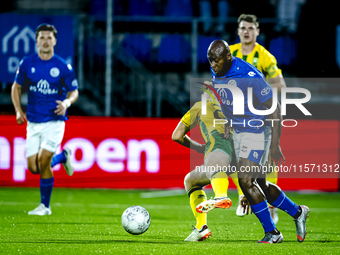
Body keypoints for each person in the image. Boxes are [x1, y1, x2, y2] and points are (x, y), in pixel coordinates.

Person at [205, 39, 309, 243]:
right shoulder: (217, 70)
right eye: (210, 61)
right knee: (258, 184)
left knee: (246, 181)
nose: (212, 65)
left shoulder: (249, 76)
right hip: (240, 130)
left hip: (258, 129)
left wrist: (274, 143)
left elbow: (275, 108)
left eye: (216, 61)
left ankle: (273, 233)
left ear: (228, 57)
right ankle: (298, 212)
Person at [11, 24, 79, 216]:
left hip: (54, 122)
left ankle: (44, 206)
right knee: (34, 168)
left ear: (55, 41)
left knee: (43, 161)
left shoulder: (62, 66)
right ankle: (63, 157)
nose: (46, 41)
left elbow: (74, 91)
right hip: (33, 122)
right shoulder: (27, 63)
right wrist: (17, 110)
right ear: (36, 41)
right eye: (42, 37)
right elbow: (15, 87)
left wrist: (66, 103)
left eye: (49, 38)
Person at [229, 14, 286, 222]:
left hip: (261, 118)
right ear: (238, 31)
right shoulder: (231, 53)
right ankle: (243, 196)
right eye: (243, 28)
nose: (246, 31)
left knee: (267, 163)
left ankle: (271, 205)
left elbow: (280, 84)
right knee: (237, 159)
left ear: (257, 32)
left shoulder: (265, 57)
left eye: (250, 28)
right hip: (236, 117)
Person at [172, 85, 235, 241]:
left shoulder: (200, 106)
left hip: (219, 148)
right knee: (191, 180)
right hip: (243, 152)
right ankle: (295, 213)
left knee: (214, 166)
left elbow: (177, 135)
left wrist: (200, 147)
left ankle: (220, 196)